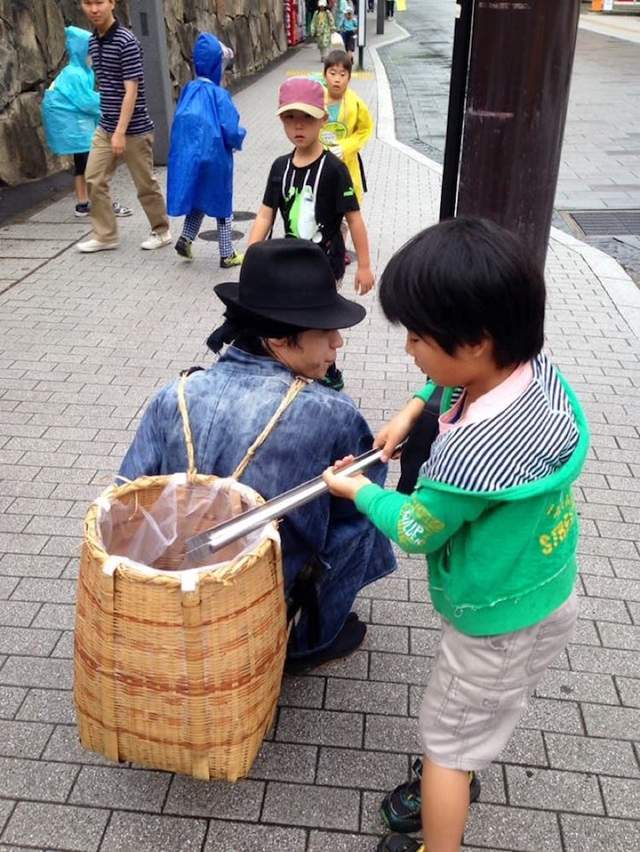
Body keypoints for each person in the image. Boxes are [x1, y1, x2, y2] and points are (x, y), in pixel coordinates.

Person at [323, 218, 589, 852]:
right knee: (490, 710)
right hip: (545, 587)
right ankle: (474, 748)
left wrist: (360, 491)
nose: (409, 348)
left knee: (446, 745)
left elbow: (416, 527)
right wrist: (416, 405)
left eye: (417, 337)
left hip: (492, 620)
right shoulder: (533, 370)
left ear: (474, 342)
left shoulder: (469, 455)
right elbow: (457, 373)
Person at [118, 238, 396, 673]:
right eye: (325, 332)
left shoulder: (174, 394)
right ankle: (307, 638)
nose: (338, 343)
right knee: (362, 514)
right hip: (260, 599)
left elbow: (128, 498)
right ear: (279, 340)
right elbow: (356, 517)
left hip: (174, 587)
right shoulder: (330, 412)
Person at [247, 76, 374, 295]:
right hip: (290, 262)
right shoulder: (280, 167)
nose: (298, 125)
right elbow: (265, 215)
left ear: (323, 119)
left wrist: (364, 266)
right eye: (290, 117)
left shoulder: (335, 169)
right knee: (286, 323)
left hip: (325, 267)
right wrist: (251, 257)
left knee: (320, 327)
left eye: (307, 116)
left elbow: (353, 219)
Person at [77, 0, 171, 253]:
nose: (94, 9)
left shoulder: (126, 41)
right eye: (88, 3)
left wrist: (120, 132)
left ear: (112, 3)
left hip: (135, 129)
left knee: (144, 185)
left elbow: (132, 91)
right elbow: (106, 86)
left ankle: (161, 231)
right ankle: (106, 235)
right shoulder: (94, 40)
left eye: (99, 2)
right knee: (94, 179)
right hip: (105, 126)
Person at [168, 33, 246, 268]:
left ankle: (186, 238)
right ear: (216, 65)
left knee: (198, 200)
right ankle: (226, 253)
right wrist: (238, 138)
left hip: (191, 156)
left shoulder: (188, 90)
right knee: (222, 203)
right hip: (216, 157)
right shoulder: (219, 95)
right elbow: (230, 128)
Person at [41, 25, 131, 220]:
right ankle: (103, 204)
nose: (92, 56)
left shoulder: (78, 71)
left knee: (82, 165)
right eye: (90, 51)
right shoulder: (76, 73)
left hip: (76, 126)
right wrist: (110, 100)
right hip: (78, 127)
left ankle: (83, 204)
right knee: (96, 165)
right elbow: (85, 101)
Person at [321, 50, 373, 205]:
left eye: (342, 74)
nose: (337, 79)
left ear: (349, 78)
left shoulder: (356, 103)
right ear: (324, 75)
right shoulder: (316, 99)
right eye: (333, 73)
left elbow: (365, 130)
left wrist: (345, 147)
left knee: (345, 210)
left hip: (346, 164)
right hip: (319, 162)